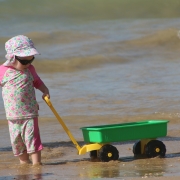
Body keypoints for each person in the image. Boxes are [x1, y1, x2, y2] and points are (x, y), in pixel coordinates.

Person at [0, 35, 50, 165]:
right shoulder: (2, 71)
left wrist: (45, 90)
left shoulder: (30, 69)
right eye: (24, 61)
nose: (28, 64)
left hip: (30, 113)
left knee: (32, 139)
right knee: (17, 142)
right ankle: (24, 163)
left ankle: (36, 164)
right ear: (12, 57)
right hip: (12, 116)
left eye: (31, 60)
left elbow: (37, 82)